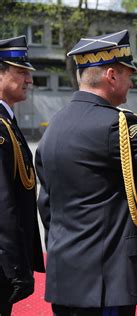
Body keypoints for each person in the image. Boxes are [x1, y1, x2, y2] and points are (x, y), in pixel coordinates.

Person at [35, 30, 137, 316]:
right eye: (128, 74)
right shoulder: (115, 127)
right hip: (105, 283)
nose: (132, 81)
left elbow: (47, 206)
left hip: (66, 279)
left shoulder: (55, 126)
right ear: (111, 75)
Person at [0, 35, 45, 315]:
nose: (28, 79)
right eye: (20, 71)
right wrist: (15, 267)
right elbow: (2, 203)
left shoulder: (7, 123)